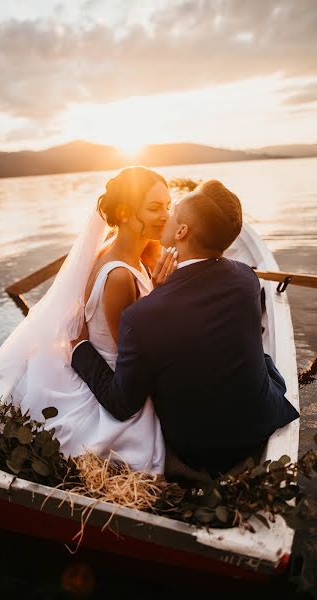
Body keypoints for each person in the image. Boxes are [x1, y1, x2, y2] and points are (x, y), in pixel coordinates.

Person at [71, 179, 300, 478]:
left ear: (181, 232)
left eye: (173, 210)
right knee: (259, 358)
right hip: (262, 416)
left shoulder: (143, 317)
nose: (166, 216)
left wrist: (80, 347)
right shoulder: (247, 279)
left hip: (199, 449)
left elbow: (122, 404)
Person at [0, 166, 175, 474]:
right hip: (116, 388)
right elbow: (136, 355)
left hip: (112, 368)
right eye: (154, 208)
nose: (165, 215)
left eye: (168, 206)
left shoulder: (123, 254)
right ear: (125, 212)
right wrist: (164, 296)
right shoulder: (119, 277)